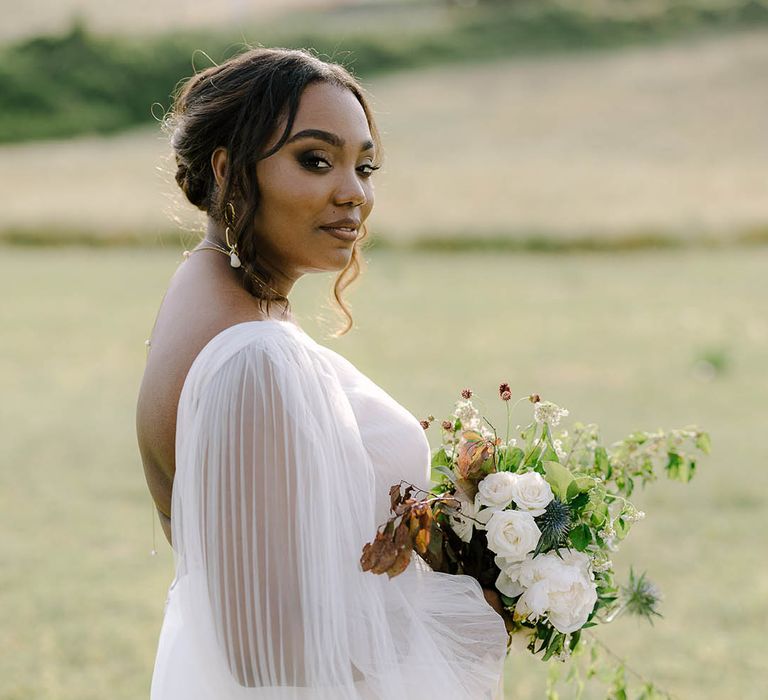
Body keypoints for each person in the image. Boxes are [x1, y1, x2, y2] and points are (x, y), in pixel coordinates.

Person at [135, 47, 508, 699]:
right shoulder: (252, 357)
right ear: (227, 171)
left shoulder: (213, 296)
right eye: (315, 159)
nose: (354, 194)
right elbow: (264, 651)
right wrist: (481, 612)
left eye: (364, 166)